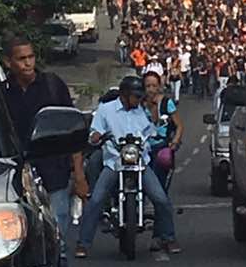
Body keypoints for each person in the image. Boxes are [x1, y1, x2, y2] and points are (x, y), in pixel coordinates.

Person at [2, 35, 88, 267]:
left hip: (54, 175)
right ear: (9, 63)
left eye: (30, 57)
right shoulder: (2, 94)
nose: (28, 64)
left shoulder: (53, 87)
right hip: (17, 180)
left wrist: (79, 174)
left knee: (57, 241)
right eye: (21, 59)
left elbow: (73, 133)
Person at [76, 75, 179, 256]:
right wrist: (96, 136)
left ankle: (168, 238)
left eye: (140, 97)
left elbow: (150, 130)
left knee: (161, 199)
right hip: (114, 161)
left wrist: (156, 129)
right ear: (124, 95)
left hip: (139, 161)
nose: (139, 100)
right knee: (96, 199)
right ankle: (83, 243)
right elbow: (95, 130)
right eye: (136, 96)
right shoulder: (106, 109)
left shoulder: (140, 110)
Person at [142, 68, 183, 192]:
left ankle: (161, 205)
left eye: (154, 86)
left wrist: (174, 142)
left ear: (159, 86)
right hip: (142, 147)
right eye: (147, 86)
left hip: (161, 145)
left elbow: (179, 125)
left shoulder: (166, 103)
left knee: (160, 181)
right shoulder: (139, 104)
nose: (150, 89)